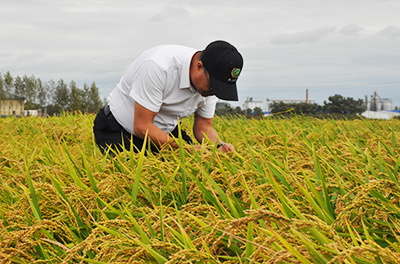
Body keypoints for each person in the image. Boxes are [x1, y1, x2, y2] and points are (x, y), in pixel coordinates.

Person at [93, 40, 243, 155]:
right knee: (140, 183)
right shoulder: (158, 66)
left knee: (197, 168)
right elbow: (142, 125)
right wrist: (185, 149)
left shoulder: (210, 83)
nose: (214, 92)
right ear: (199, 66)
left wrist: (219, 145)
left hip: (164, 131)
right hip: (121, 129)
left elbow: (203, 126)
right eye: (213, 86)